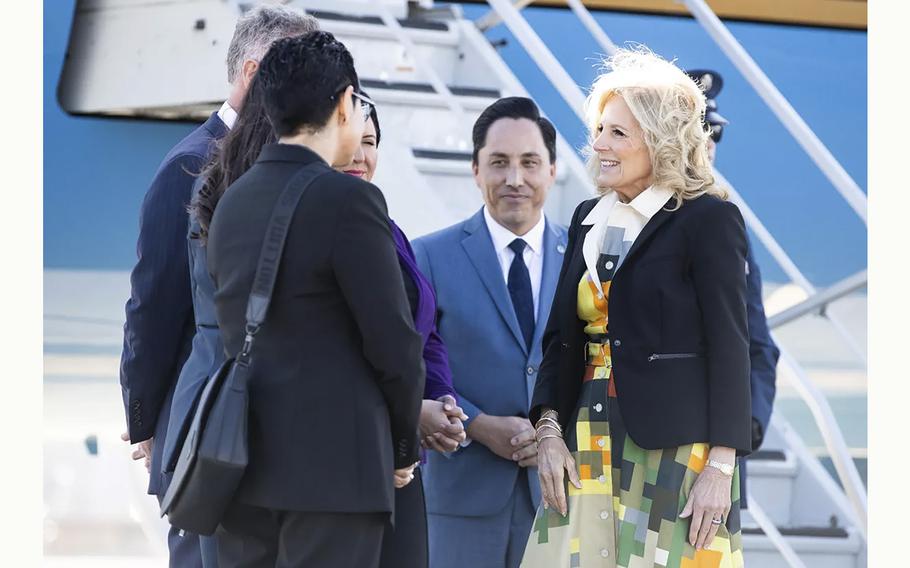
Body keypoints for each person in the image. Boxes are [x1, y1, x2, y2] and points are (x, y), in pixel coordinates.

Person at [523, 48, 751, 568]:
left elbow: (730, 346)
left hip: (674, 452)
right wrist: (550, 432)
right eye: (600, 128)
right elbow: (562, 339)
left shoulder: (708, 220)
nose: (598, 144)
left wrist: (721, 466)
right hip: (584, 437)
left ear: (662, 142)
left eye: (618, 134)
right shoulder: (588, 217)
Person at [206, 31, 425, 567]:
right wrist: (401, 447)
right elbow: (394, 345)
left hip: (243, 466)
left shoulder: (231, 202)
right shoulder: (350, 200)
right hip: (335, 476)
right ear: (346, 104)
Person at [117, 6, 317, 567]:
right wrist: (151, 421)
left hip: (256, 442)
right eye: (296, 72)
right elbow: (153, 307)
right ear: (253, 74)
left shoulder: (287, 165)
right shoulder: (187, 166)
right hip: (204, 437)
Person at [413, 97, 569, 568]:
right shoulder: (429, 257)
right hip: (457, 504)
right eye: (499, 163)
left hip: (560, 502)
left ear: (552, 170)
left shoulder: (585, 260)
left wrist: (554, 431)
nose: (514, 179)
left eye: (529, 163)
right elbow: (410, 363)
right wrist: (478, 425)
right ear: (476, 170)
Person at [334, 95, 469, 568]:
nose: (359, 156)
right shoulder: (324, 225)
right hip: (353, 457)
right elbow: (347, 345)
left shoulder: (386, 226)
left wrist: (443, 401)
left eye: (370, 143)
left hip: (403, 459)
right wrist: (416, 412)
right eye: (350, 142)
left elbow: (424, 330)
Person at [686, 68, 781, 506]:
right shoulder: (623, 224)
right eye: (696, 131)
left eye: (713, 135)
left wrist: (751, 422)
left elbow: (758, 343)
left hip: (722, 463)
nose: (707, 144)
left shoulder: (730, 229)